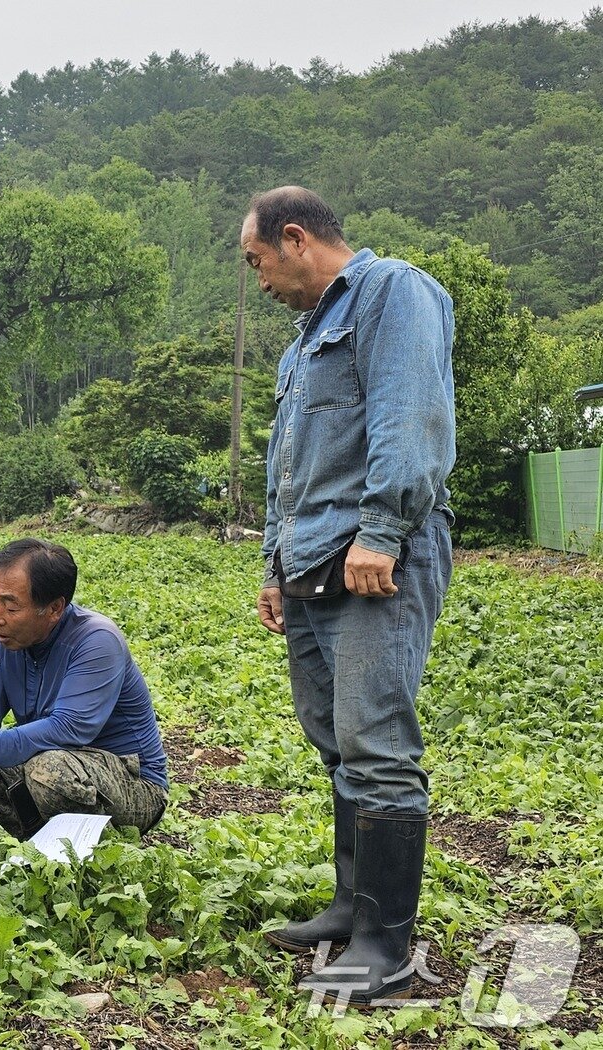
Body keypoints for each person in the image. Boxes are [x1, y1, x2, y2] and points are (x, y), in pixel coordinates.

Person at [243, 186, 455, 1004]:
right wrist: (274, 566)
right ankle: (350, 906)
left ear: (295, 239)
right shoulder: (302, 344)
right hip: (311, 561)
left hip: (374, 553)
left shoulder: (393, 293)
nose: (258, 281)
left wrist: (383, 529)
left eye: (258, 261)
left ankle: (387, 949)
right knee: (335, 740)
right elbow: (286, 470)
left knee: (376, 745)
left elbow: (413, 417)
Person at [0, 539, 168, 839]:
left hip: (133, 783)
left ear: (54, 608)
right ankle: (39, 838)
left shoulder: (97, 641)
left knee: (49, 771)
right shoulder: (6, 642)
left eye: (11, 605)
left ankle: (92, 849)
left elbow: (66, 729)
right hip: (57, 764)